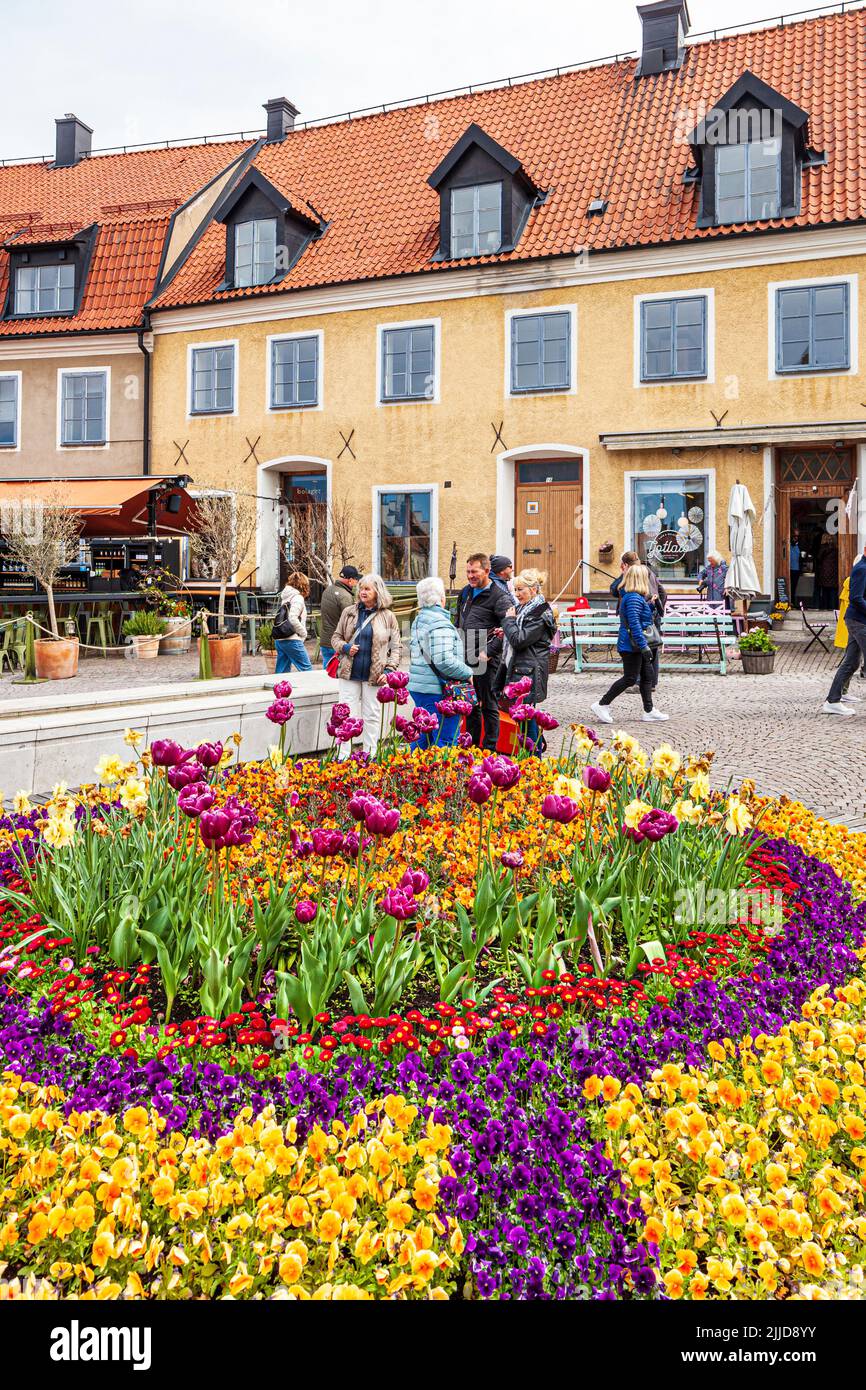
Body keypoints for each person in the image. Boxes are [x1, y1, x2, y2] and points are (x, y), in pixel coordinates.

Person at [331, 573, 402, 756]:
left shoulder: (388, 616)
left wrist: (389, 669)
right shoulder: (349, 612)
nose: (363, 592)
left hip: (375, 675)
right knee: (346, 715)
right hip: (349, 673)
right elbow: (335, 637)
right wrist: (345, 647)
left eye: (367, 589)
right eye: (361, 588)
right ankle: (343, 755)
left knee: (372, 715)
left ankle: (370, 754)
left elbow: (396, 646)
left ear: (377, 591)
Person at [591, 564, 668, 724]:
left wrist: (649, 605)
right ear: (639, 578)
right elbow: (634, 624)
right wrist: (644, 646)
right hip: (632, 646)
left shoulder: (636, 597)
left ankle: (649, 710)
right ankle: (602, 704)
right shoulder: (633, 597)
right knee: (630, 678)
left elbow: (637, 615)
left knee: (647, 676)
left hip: (636, 644)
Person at [494, 568, 557, 755]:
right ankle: (529, 757)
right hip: (520, 670)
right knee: (522, 718)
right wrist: (506, 630)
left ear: (533, 589)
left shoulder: (539, 613)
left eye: (521, 589)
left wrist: (508, 623)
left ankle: (534, 760)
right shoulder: (525, 609)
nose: (517, 594)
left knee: (526, 719)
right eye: (515, 589)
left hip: (528, 674)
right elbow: (517, 634)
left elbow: (520, 640)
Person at [408, 576, 473, 748]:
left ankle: (412, 772)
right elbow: (444, 660)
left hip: (420, 686)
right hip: (436, 690)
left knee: (423, 737)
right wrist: (468, 672)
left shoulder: (419, 619)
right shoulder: (439, 622)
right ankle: (440, 774)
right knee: (445, 739)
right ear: (441, 598)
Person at [457, 552, 512, 751]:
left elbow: (509, 629)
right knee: (470, 705)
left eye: (475, 572)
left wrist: (489, 651)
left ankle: (490, 750)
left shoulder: (500, 597)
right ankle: (470, 747)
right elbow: (459, 622)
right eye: (468, 571)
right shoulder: (465, 592)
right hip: (466, 657)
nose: (470, 576)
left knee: (489, 706)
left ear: (487, 571)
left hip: (486, 660)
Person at [610, 550, 667, 691]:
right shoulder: (650, 572)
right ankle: (651, 682)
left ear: (624, 564)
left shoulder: (633, 572)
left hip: (638, 616)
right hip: (652, 614)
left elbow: (614, 589)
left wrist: (623, 573)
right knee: (652, 647)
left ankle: (638, 682)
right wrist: (658, 609)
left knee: (639, 647)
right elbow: (662, 592)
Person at [822, 543, 866, 716]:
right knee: (852, 662)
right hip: (859, 621)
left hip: (857, 620)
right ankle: (832, 701)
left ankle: (832, 701)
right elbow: (856, 598)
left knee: (852, 662)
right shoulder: (861, 568)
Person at [319, 565, 361, 666]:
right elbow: (351, 622)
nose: (357, 583)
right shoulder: (345, 596)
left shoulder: (328, 590)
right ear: (350, 580)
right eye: (356, 580)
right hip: (337, 643)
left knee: (327, 674)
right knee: (337, 677)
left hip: (325, 641)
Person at [273, 571, 313, 673]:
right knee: (307, 670)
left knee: (282, 672)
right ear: (304, 584)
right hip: (292, 639)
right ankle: (309, 689)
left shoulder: (286, 596)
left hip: (280, 639)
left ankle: (279, 688)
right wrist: (304, 633)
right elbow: (292, 618)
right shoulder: (298, 598)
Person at [816, 533, 839, 611]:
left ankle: (825, 609)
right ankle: (833, 609)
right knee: (833, 592)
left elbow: (818, 558)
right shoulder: (837, 548)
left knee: (825, 593)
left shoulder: (823, 548)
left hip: (825, 573)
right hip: (834, 573)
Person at [790, 530, 801, 602]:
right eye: (794, 536)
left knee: (794, 586)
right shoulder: (788, 544)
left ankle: (793, 601)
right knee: (789, 586)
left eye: (797, 536)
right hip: (788, 569)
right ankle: (790, 601)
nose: (795, 538)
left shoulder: (800, 545)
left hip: (796, 569)